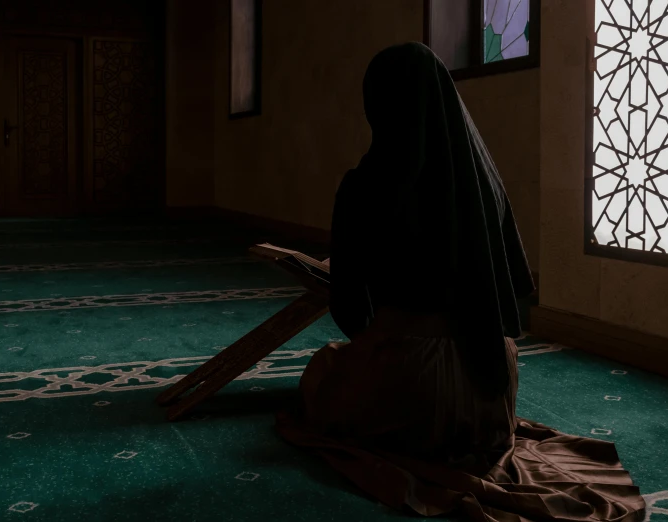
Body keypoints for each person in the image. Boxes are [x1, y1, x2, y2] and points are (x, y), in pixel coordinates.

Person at [276, 42, 645, 521]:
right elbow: (512, 286)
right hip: (488, 390)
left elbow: (351, 313)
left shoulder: (364, 185)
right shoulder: (484, 182)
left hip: (407, 377)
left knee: (323, 373)